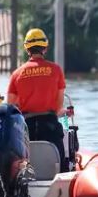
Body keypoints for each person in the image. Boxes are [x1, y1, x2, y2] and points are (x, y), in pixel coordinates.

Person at [7, 28, 69, 172]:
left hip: (25, 127)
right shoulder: (56, 70)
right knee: (62, 161)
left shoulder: (17, 74)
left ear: (27, 49)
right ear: (45, 48)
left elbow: (10, 107)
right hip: (50, 126)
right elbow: (59, 106)